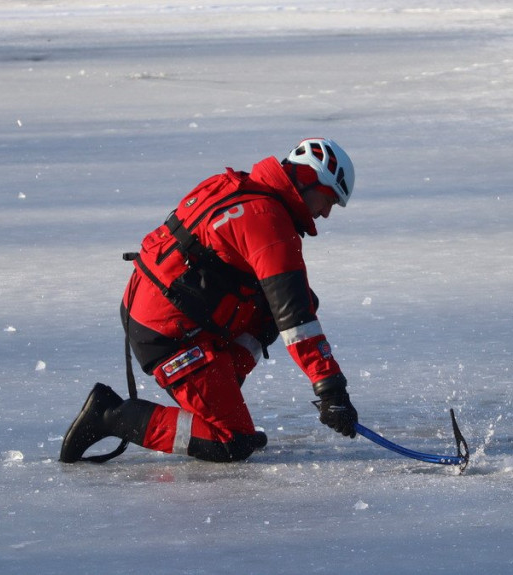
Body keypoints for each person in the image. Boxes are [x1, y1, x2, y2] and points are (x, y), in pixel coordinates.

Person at [59, 138, 359, 463]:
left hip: (157, 306)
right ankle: (112, 415)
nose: (326, 213)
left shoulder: (237, 186)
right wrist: (330, 389)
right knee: (232, 442)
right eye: (329, 199)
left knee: (274, 308)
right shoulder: (268, 221)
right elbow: (296, 317)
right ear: (306, 179)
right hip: (167, 333)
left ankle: (222, 399)